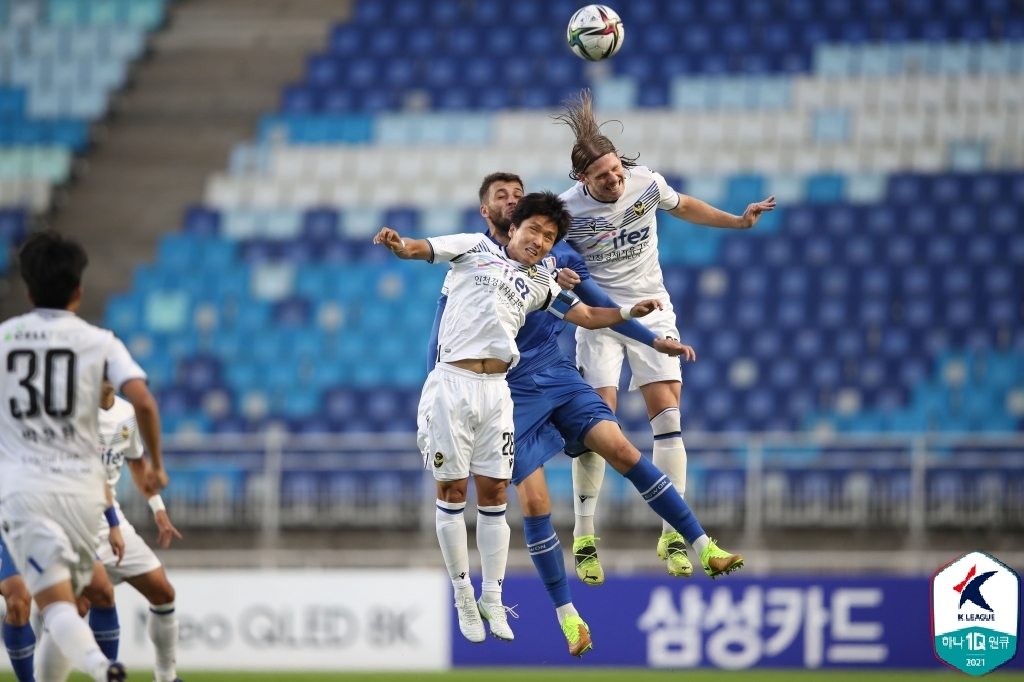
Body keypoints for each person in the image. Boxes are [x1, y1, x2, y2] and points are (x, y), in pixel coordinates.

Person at [373, 192, 667, 648]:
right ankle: (463, 595)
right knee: (453, 493)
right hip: (453, 383)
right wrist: (399, 245)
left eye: (550, 237)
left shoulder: (541, 284)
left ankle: (493, 595)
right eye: (534, 229)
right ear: (513, 229)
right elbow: (422, 248)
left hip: (499, 393)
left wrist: (629, 312)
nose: (541, 240)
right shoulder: (474, 248)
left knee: (494, 498)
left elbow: (587, 315)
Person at [554, 89, 777, 578]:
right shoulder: (565, 212)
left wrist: (738, 222)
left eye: (617, 171)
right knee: (598, 428)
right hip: (601, 317)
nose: (614, 180)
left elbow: (686, 205)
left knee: (669, 418)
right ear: (581, 179)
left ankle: (672, 536)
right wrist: (560, 279)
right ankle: (586, 535)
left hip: (652, 308)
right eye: (602, 176)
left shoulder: (645, 183)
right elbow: (542, 256)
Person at [0, 231, 168, 682]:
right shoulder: (100, 341)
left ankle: (98, 666)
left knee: (55, 604)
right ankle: (100, 665)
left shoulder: (5, 338)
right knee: (84, 596)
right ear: (78, 290)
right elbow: (145, 403)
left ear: (29, 289)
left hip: (25, 491)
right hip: (79, 492)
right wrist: (156, 464)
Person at [40, 380, 183, 682]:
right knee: (81, 604)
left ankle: (166, 677)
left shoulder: (125, 412)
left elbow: (137, 463)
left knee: (163, 592)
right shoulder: (72, 414)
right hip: (72, 518)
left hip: (109, 516)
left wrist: (157, 508)